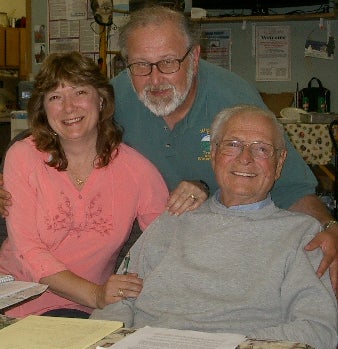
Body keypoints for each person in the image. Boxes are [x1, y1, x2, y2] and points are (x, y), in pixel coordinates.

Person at [0, 5, 337, 290]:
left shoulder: (233, 100)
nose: (155, 79)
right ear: (127, 65)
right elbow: (48, 138)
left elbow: (292, 187)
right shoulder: (109, 100)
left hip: (227, 234)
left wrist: (327, 229)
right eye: (141, 65)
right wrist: (14, 189)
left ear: (194, 58)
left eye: (168, 63)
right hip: (138, 238)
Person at [91, 105, 338, 349]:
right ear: (213, 153)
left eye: (261, 149)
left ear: (280, 162)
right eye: (233, 145)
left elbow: (319, 328)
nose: (245, 158)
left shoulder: (302, 234)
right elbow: (118, 298)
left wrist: (233, 344)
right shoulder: (175, 217)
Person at [0, 51, 168, 319]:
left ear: (101, 99)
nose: (69, 108)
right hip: (10, 302)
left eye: (80, 92)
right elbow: (27, 251)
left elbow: (166, 246)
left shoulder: (137, 171)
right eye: (55, 97)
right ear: (43, 109)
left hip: (77, 311)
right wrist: (96, 294)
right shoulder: (23, 156)